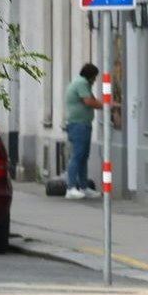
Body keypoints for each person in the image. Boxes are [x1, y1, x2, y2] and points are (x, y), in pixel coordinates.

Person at [63, 63, 99, 199]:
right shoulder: (82, 83)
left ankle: (84, 187)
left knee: (83, 157)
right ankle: (71, 187)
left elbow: (93, 100)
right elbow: (89, 102)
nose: (95, 80)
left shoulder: (82, 84)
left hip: (82, 124)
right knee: (77, 156)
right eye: (94, 77)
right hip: (78, 125)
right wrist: (106, 105)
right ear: (90, 76)